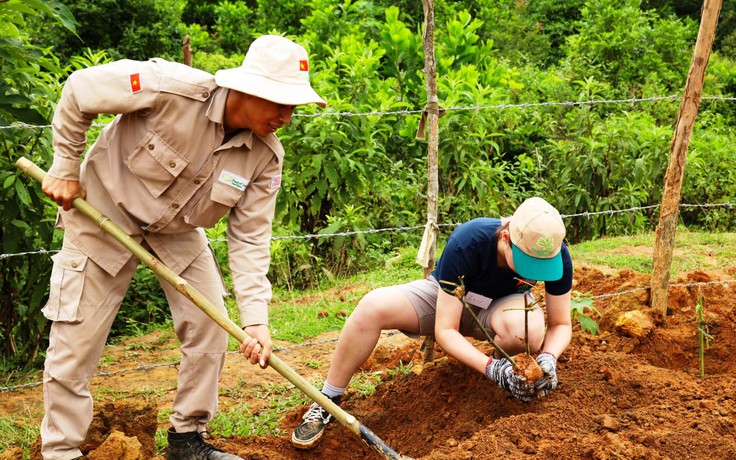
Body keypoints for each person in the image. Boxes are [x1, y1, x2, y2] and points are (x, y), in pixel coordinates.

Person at [39, 35, 326, 460]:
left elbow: (249, 239)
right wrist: (65, 167)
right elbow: (80, 89)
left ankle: (187, 438)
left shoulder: (265, 156)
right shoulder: (168, 87)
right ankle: (61, 451)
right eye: (279, 103)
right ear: (247, 89)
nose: (287, 116)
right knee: (76, 337)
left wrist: (256, 321)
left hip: (177, 231)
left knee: (211, 323)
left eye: (294, 106)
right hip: (104, 213)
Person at [291, 197, 574, 449]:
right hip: (447, 300)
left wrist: (548, 358)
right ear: (505, 237)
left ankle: (507, 379)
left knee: (528, 331)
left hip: (502, 308)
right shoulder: (470, 240)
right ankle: (327, 400)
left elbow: (561, 324)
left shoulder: (554, 254)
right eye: (526, 261)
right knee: (371, 307)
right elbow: (445, 329)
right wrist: (491, 367)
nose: (534, 270)